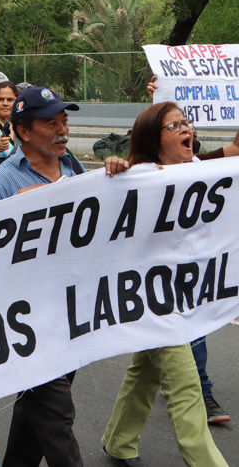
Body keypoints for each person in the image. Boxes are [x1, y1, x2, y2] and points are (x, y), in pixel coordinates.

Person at [99, 102, 227, 467]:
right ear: (154, 141)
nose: (187, 130)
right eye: (175, 126)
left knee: (145, 371)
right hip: (150, 299)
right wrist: (116, 171)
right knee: (186, 387)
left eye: (187, 123)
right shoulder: (138, 177)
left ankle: (119, 442)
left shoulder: (202, 171)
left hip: (187, 296)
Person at [0, 86, 85, 467]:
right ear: (24, 131)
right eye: (51, 123)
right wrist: (28, 214)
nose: (63, 131)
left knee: (35, 411)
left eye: (64, 121)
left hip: (70, 312)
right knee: (57, 414)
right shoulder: (4, 184)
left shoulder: (73, 166)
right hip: (26, 320)